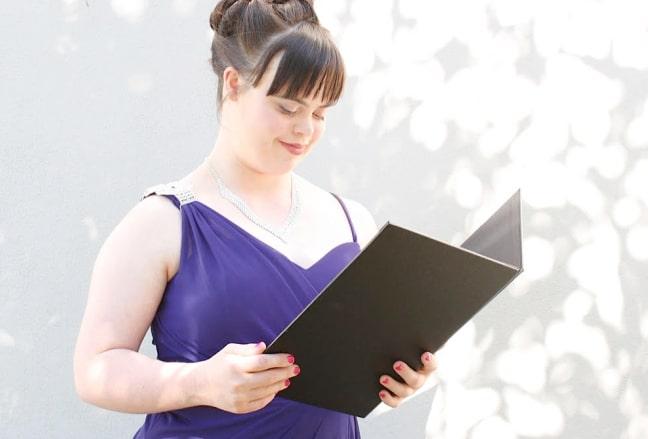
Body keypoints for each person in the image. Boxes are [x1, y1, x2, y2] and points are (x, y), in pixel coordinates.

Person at [73, 0, 437, 437]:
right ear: (234, 84)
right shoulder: (161, 221)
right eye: (287, 107)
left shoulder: (353, 221)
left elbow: (356, 363)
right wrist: (200, 383)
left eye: (320, 113)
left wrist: (395, 377)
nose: (305, 129)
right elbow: (95, 370)